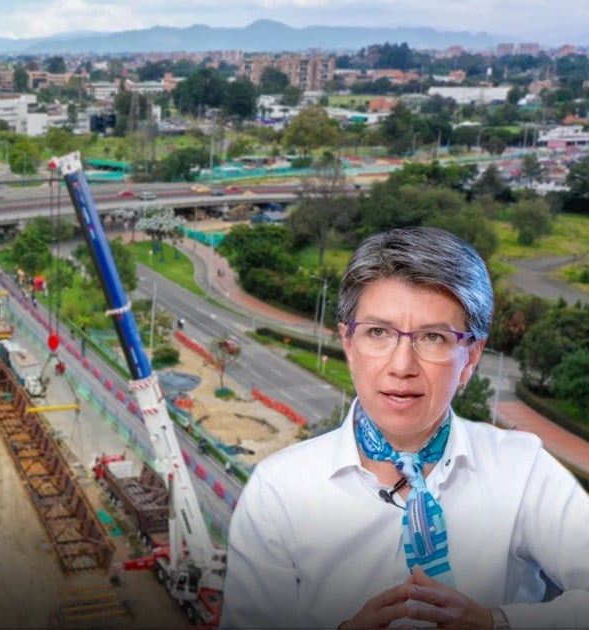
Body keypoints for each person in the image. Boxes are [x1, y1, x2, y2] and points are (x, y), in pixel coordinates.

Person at [221, 227, 589, 629]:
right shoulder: (279, 490)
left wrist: (495, 622)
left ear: (470, 357)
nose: (401, 366)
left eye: (433, 337)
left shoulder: (523, 470)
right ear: (348, 342)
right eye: (378, 333)